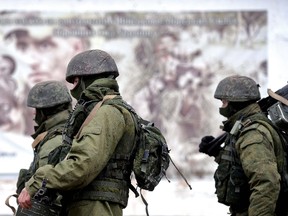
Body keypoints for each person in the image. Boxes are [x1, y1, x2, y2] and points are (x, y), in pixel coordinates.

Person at [18, 49, 137, 216]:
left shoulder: (107, 112)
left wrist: (39, 180)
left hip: (94, 209)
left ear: (84, 80)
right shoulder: (106, 110)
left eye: (74, 81)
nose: (72, 89)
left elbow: (82, 166)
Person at [199, 75, 288, 216]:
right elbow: (242, 165)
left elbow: (266, 184)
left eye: (223, 102)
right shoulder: (245, 126)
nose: (221, 107)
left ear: (235, 102)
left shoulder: (252, 134)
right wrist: (218, 153)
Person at [16, 80, 72, 201]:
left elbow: (46, 194)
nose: (34, 115)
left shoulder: (52, 142)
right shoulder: (70, 131)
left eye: (36, 110)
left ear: (43, 112)